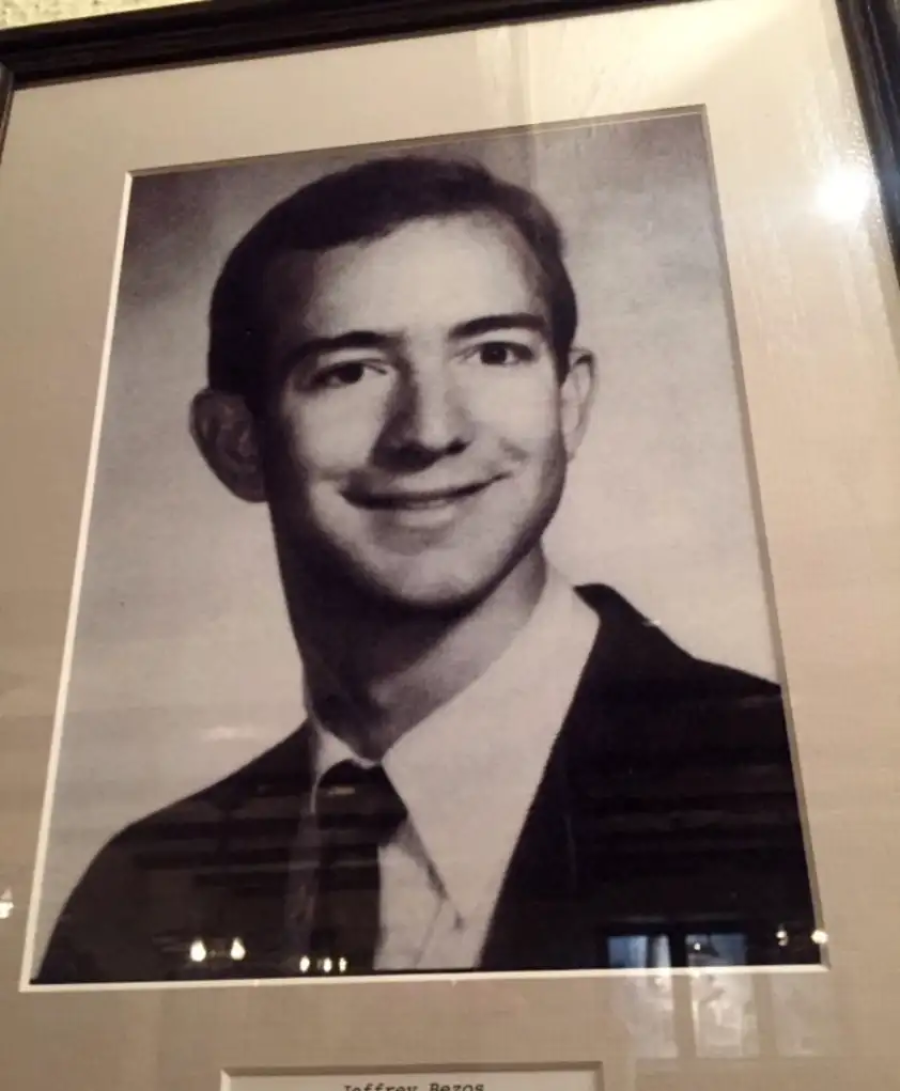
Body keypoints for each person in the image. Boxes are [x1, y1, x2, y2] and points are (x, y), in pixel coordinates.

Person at [35, 155, 816, 984]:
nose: (430, 430)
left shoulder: (790, 793)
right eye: (349, 370)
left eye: (495, 353)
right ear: (238, 443)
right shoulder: (139, 889)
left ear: (569, 401)